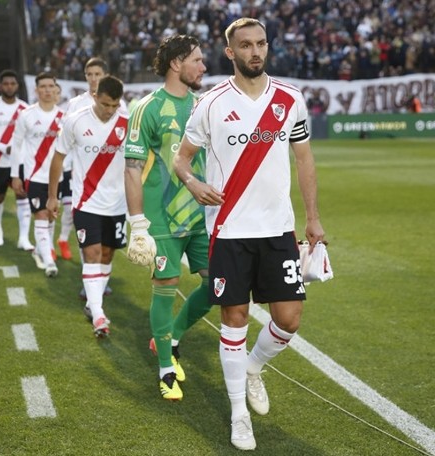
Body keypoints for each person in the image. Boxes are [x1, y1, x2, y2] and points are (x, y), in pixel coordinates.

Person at [173, 18, 326, 450]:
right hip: (229, 230)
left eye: (261, 43)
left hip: (277, 228)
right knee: (234, 318)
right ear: (231, 52)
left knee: (289, 319)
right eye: (246, 45)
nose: (255, 51)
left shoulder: (290, 98)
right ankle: (239, 414)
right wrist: (192, 183)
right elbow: (181, 158)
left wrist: (313, 218)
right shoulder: (211, 103)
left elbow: (304, 159)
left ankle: (254, 367)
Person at [123, 34, 211, 402]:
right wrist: (138, 224)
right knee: (167, 284)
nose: (203, 66)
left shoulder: (205, 105)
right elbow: (132, 168)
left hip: (203, 213)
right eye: (197, 60)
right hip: (161, 217)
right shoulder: (147, 108)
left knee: (218, 284)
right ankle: (165, 370)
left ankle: (172, 339)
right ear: (176, 64)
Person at [47, 75, 128, 337]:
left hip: (117, 204)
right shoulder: (75, 120)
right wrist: (52, 196)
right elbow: (58, 158)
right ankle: (98, 314)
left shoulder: (127, 123)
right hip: (85, 202)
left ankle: (94, 304)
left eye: (114, 105)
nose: (110, 110)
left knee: (106, 255)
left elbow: (135, 164)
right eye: (105, 104)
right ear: (95, 96)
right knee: (91, 254)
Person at [66, 57, 125, 297]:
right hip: (84, 180)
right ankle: (90, 284)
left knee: (108, 246)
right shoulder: (75, 106)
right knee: (89, 241)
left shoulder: (121, 107)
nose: (93, 78)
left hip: (114, 187)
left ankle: (98, 281)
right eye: (89, 74)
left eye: (97, 74)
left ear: (105, 76)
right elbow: (67, 142)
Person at [11, 72, 64, 277]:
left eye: (51, 86)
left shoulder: (64, 117)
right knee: (41, 215)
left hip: (58, 178)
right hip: (34, 176)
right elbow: (17, 145)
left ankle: (42, 250)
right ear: (36, 90)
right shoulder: (26, 115)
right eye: (43, 86)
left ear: (56, 89)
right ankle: (49, 262)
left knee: (50, 217)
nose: (47, 90)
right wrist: (15, 175)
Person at [0, 69, 30, 247]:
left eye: (13, 83)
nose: (9, 87)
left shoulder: (25, 108)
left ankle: (23, 238)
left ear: (17, 86)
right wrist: (3, 148)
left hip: (21, 162)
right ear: (0, 86)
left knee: (22, 196)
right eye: (6, 84)